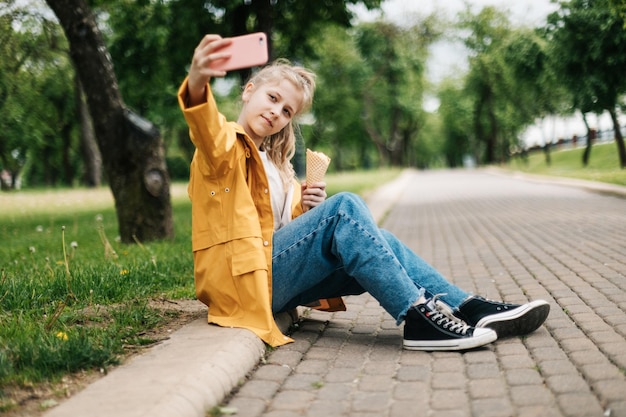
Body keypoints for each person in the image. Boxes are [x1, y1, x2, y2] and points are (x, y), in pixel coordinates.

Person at [177, 34, 550, 351]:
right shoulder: (224, 145)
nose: (277, 113)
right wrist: (197, 80)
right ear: (248, 91)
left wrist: (305, 214)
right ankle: (419, 319)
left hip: (271, 277)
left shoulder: (277, 167)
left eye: (288, 110)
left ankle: (469, 306)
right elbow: (204, 126)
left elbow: (275, 233)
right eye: (272, 98)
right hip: (242, 283)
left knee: (379, 239)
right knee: (345, 208)